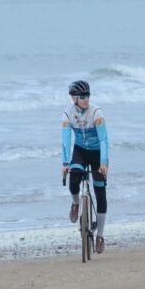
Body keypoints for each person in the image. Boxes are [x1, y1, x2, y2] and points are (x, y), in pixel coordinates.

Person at [59, 79, 110, 252]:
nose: (86, 99)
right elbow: (66, 140)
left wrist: (104, 162)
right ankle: (75, 204)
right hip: (80, 151)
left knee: (100, 191)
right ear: (74, 98)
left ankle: (100, 235)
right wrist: (65, 163)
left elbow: (104, 139)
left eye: (87, 95)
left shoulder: (96, 113)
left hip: (96, 153)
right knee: (73, 178)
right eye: (82, 96)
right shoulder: (67, 114)